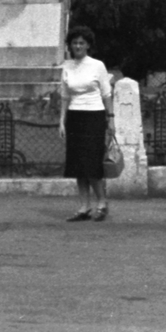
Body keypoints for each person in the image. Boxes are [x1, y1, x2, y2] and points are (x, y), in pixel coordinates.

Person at [59, 25, 114, 222]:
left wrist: (111, 118)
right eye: (75, 43)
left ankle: (101, 202)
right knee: (76, 164)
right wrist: (62, 122)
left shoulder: (97, 65)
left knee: (91, 162)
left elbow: (106, 94)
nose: (78, 46)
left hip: (94, 116)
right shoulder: (67, 66)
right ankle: (83, 206)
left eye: (81, 43)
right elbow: (65, 96)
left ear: (88, 45)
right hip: (75, 116)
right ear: (70, 46)